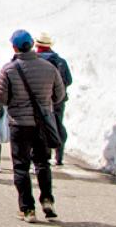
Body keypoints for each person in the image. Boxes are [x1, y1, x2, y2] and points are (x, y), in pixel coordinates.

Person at [0, 30, 65, 223]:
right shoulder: (49, 68)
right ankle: (47, 199)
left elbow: (1, 98)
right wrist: (44, 103)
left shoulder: (8, 70)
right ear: (32, 45)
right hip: (42, 124)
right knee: (43, 163)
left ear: (14, 47)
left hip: (19, 124)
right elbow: (59, 95)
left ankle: (27, 209)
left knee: (21, 167)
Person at [35, 33, 73, 165]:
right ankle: (59, 156)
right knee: (57, 124)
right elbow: (68, 80)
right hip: (58, 100)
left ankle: (46, 154)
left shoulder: (34, 61)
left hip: (40, 100)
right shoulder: (60, 61)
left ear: (37, 45)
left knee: (40, 127)